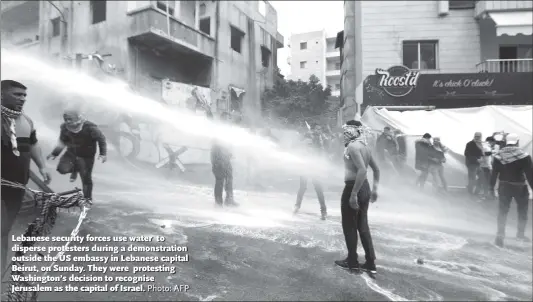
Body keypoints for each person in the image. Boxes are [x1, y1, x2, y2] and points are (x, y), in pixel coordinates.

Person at [1, 80, 51, 277]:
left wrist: (43, 167)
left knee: (5, 230)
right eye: (17, 95)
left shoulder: (26, 121)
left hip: (17, 185)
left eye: (24, 95)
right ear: (1, 95)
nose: (22, 99)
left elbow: (33, 145)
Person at [335, 120, 379, 274]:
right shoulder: (365, 147)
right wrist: (374, 189)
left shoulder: (353, 147)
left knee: (349, 226)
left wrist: (353, 194)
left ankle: (352, 261)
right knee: (363, 225)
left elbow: (362, 170)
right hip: (365, 187)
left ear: (354, 131)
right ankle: (370, 262)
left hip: (354, 187)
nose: (344, 134)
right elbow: (376, 170)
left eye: (347, 131)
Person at [47, 109, 107, 202]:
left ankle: (87, 199)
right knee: (62, 169)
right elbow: (63, 141)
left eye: (70, 119)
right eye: (65, 119)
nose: (67, 121)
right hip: (71, 153)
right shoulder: (64, 127)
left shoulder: (90, 127)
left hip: (86, 156)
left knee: (86, 178)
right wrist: (54, 153)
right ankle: (75, 169)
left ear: (77, 118)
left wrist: (103, 153)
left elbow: (101, 139)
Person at [490, 133, 533, 247]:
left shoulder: (498, 156)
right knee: (522, 212)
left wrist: (491, 189)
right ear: (518, 142)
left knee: (503, 211)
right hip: (520, 187)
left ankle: (500, 235)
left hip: (504, 187)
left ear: (505, 142)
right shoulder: (524, 156)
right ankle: (520, 235)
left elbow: (494, 174)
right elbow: (530, 175)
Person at [293, 126, 327, 220]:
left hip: (315, 167)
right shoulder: (307, 138)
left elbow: (322, 153)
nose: (318, 130)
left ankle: (323, 210)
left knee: (318, 189)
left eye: (320, 129)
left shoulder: (319, 142)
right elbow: (300, 141)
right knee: (302, 187)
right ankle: (297, 206)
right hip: (305, 167)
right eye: (316, 129)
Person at [211, 113, 238, 207]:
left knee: (229, 178)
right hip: (218, 159)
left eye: (229, 119)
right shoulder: (218, 130)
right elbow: (217, 146)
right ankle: (218, 203)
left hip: (226, 159)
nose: (229, 121)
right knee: (220, 180)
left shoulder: (227, 130)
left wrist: (229, 153)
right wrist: (219, 159)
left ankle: (229, 200)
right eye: (227, 119)